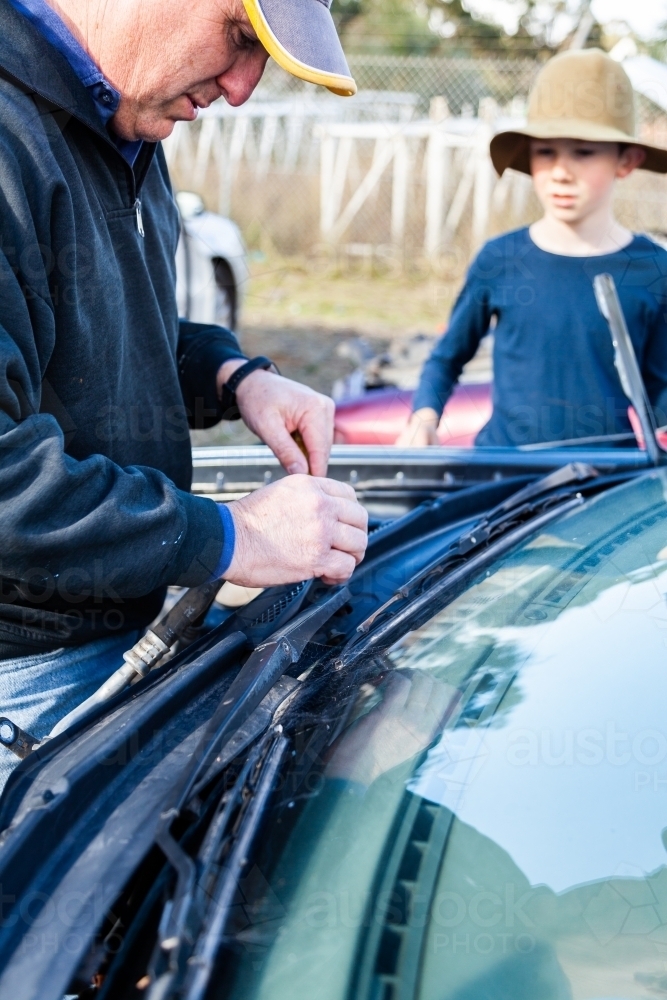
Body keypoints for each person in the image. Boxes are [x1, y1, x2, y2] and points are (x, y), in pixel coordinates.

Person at [0, 0, 366, 783]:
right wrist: (234, 537)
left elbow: (113, 331)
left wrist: (236, 377)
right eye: (241, 38)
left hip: (107, 642)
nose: (241, 89)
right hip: (22, 680)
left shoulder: (123, 123)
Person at [397, 49, 667, 450]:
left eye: (583, 151)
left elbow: (661, 388)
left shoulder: (653, 269)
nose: (561, 170)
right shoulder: (501, 260)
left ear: (626, 160)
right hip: (506, 475)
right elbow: (447, 357)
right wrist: (424, 416)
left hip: (609, 484)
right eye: (546, 152)